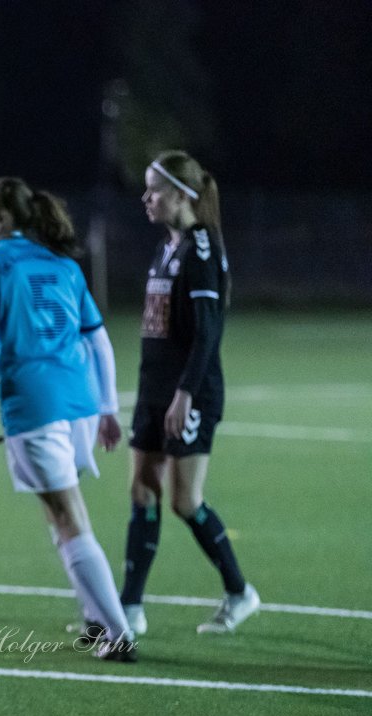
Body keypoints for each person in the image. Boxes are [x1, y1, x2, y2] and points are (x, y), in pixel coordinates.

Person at [0, 177, 136, 662]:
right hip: (78, 401)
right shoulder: (62, 264)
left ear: (2, 220)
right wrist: (108, 407)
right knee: (58, 515)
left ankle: (119, 632)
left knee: (69, 517)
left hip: (34, 405)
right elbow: (99, 340)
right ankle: (96, 619)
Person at [119, 150, 260, 635]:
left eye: (154, 190)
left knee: (184, 501)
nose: (146, 198)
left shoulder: (201, 249)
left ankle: (240, 592)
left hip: (190, 393)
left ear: (182, 195)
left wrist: (184, 395)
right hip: (153, 390)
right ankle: (130, 608)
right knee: (141, 490)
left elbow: (207, 336)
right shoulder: (168, 246)